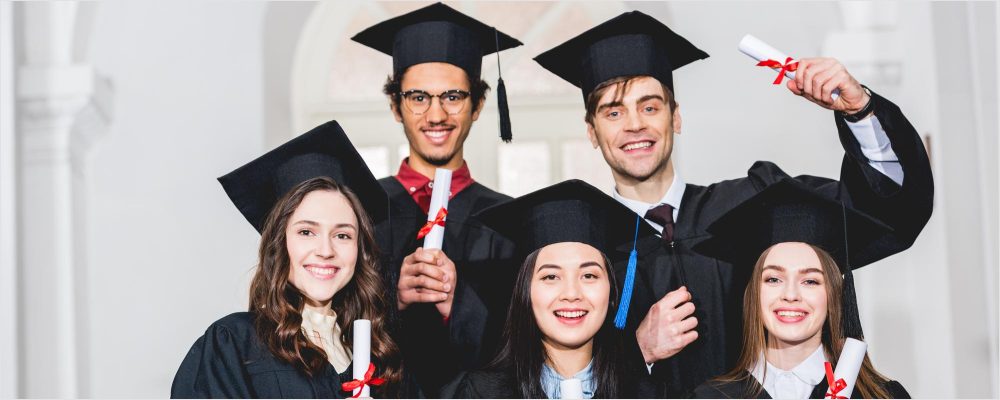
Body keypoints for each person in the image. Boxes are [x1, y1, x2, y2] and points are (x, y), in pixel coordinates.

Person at [534, 10, 933, 396]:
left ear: (676, 118)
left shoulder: (756, 204)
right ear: (591, 131)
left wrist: (859, 111)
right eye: (613, 112)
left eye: (650, 106)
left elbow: (887, 215)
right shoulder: (578, 252)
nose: (635, 124)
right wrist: (635, 352)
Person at [352, 2, 523, 395]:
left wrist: (458, 300)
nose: (436, 114)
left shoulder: (510, 220)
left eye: (453, 96)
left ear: (478, 105)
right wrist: (391, 293)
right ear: (396, 107)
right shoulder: (357, 211)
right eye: (417, 97)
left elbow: (524, 346)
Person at [171, 121, 409, 398]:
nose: (326, 249)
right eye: (307, 232)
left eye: (343, 235)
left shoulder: (377, 356)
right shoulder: (234, 343)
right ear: (279, 243)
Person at [691, 179, 911, 398]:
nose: (790, 295)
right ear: (754, 293)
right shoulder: (710, 396)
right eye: (774, 279)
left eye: (810, 281)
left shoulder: (881, 395)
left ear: (834, 294)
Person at [443, 180, 657, 398]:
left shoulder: (648, 394)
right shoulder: (477, 394)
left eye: (589, 275)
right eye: (551, 276)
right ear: (525, 291)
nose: (572, 294)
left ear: (611, 290)